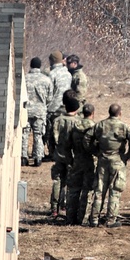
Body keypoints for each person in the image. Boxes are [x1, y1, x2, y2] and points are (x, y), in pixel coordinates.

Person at [87, 103, 130, 226]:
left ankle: (94, 219)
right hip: (117, 161)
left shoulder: (100, 125)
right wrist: (129, 155)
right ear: (119, 113)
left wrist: (95, 152)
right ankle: (111, 220)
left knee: (99, 190)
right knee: (115, 191)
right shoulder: (124, 127)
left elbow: (87, 138)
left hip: (103, 160)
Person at [49, 90, 80, 219]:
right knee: (70, 183)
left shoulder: (57, 120)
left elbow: (51, 139)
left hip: (59, 155)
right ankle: (67, 207)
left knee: (57, 181)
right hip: (72, 157)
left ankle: (54, 208)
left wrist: (52, 152)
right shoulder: (78, 122)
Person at [65, 101, 96, 225]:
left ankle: (70, 218)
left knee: (73, 189)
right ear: (93, 113)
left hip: (77, 160)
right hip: (89, 161)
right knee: (87, 190)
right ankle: (82, 218)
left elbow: (68, 144)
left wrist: (70, 158)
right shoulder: (94, 127)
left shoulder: (75, 126)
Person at [22, 56, 51, 165]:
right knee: (38, 134)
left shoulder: (25, 78)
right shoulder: (46, 80)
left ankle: (23, 156)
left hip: (26, 110)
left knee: (24, 133)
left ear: (31, 65)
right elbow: (49, 98)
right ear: (40, 66)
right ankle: (38, 157)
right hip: (40, 111)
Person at [46, 51, 73, 154]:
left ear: (52, 61)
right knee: (63, 131)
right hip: (65, 105)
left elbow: (49, 92)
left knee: (51, 131)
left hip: (54, 107)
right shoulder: (68, 74)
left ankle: (52, 152)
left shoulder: (51, 74)